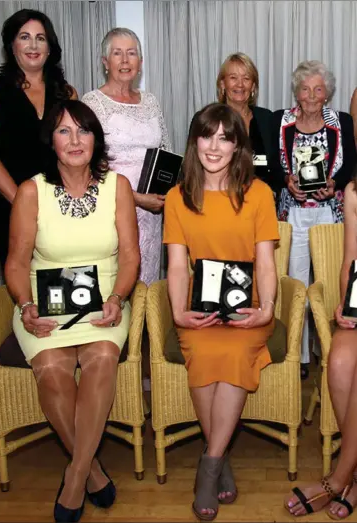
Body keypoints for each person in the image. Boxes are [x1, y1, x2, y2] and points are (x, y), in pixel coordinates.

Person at [5, 100, 140, 523]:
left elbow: (132, 258)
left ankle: (76, 474)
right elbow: (15, 263)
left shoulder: (117, 186)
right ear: (52, 141)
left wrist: (117, 297)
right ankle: (93, 471)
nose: (75, 140)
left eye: (83, 130)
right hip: (46, 302)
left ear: (96, 138)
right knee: (51, 367)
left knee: (101, 357)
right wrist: (26, 306)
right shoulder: (31, 191)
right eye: (64, 131)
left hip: (104, 300)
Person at [164, 102, 279, 521]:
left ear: (237, 146)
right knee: (204, 352)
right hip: (199, 309)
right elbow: (177, 265)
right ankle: (221, 458)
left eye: (225, 138)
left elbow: (265, 261)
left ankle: (208, 467)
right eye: (207, 135)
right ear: (194, 141)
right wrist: (178, 311)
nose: (215, 146)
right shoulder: (178, 197)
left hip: (246, 307)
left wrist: (266, 310)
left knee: (231, 354)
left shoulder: (259, 193)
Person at [274, 60, 357, 378]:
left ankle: (329, 347)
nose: (310, 95)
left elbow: (350, 162)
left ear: (327, 94)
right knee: (297, 285)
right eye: (305, 88)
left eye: (318, 89)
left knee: (328, 281)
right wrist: (286, 180)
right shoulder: (280, 122)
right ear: (296, 91)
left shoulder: (341, 121)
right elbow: (274, 166)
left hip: (330, 212)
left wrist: (335, 184)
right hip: (293, 212)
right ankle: (301, 355)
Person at [0, 8, 77, 270]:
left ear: (49, 47)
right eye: (24, 37)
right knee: (25, 287)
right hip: (10, 203)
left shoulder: (67, 94)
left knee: (64, 285)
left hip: (60, 204)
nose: (33, 45)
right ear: (12, 45)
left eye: (40, 38)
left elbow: (75, 154)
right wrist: (25, 204)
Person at [284, 172, 357, 519]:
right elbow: (350, 262)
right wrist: (346, 303)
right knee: (340, 361)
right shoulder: (354, 192)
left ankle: (340, 477)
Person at [82, 27, 171, 286]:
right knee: (117, 287)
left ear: (140, 63)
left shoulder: (151, 101)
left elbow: (164, 150)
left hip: (153, 212)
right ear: (105, 62)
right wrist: (136, 198)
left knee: (147, 285)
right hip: (113, 209)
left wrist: (165, 194)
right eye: (117, 53)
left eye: (131, 53)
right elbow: (87, 168)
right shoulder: (92, 103)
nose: (124, 60)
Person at [216, 52, 277, 193]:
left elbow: (276, 166)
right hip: (221, 198)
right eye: (233, 78)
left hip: (262, 202)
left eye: (246, 78)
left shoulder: (267, 118)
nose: (240, 84)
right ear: (222, 84)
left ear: (253, 86)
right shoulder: (209, 119)